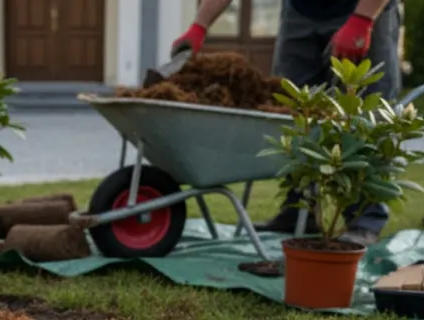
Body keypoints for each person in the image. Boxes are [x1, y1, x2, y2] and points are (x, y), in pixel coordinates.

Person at [171, 0, 404, 245]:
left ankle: (365, 219)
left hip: (363, 8)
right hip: (301, 11)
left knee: (366, 111)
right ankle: (298, 210)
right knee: (291, 106)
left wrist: (363, 19)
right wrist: (200, 25)